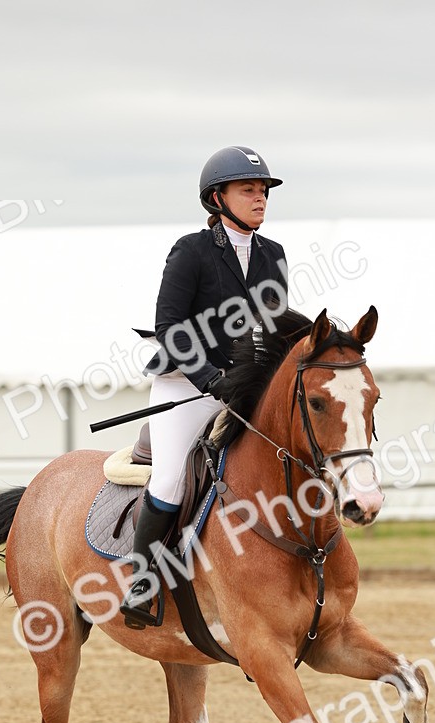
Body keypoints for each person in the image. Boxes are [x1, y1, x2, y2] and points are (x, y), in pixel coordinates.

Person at [120, 145, 288, 629]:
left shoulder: (272, 256)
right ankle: (141, 583)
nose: (260, 199)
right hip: (184, 388)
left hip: (241, 389)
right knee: (171, 477)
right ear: (218, 197)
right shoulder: (191, 251)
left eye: (262, 191)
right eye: (248, 190)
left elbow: (273, 329)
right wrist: (211, 378)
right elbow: (170, 326)